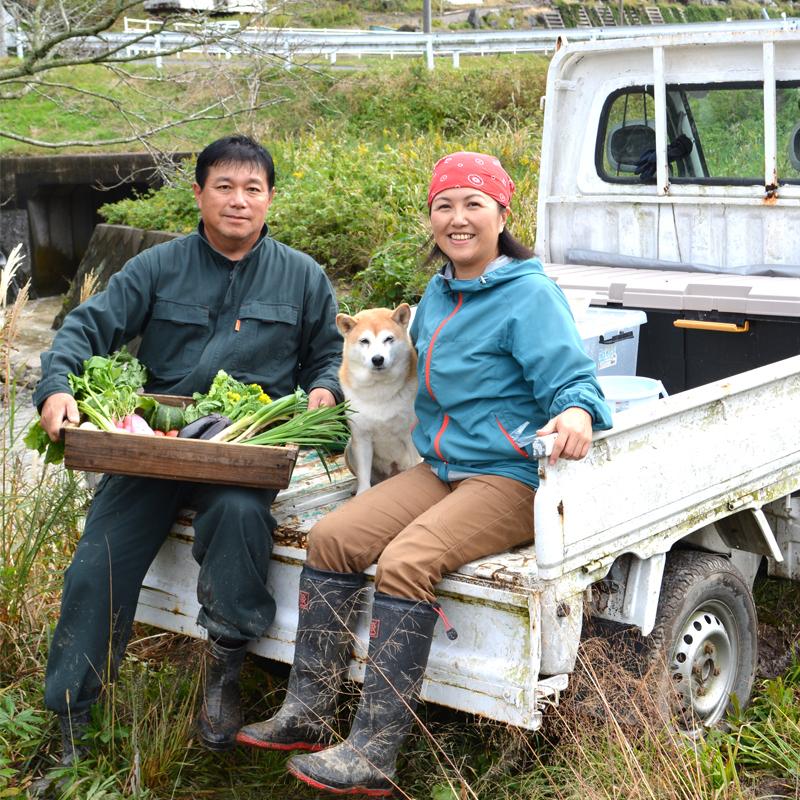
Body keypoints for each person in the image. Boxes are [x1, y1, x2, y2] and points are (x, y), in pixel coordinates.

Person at [236, 151, 613, 796]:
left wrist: (576, 411)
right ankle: (310, 709)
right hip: (441, 464)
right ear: (432, 219)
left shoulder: (529, 294)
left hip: (508, 476)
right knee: (332, 536)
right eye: (445, 205)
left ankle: (375, 747)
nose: (458, 218)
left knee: (408, 558)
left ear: (503, 212)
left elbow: (573, 378)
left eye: (474, 204)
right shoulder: (437, 293)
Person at [33, 135, 342, 770]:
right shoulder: (157, 266)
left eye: (253, 188)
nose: (238, 200)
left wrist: (323, 389)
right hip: (155, 447)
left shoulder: (304, 276)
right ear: (199, 193)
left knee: (239, 515)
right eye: (223, 186)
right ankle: (70, 718)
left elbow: (328, 358)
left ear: (270, 199)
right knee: (98, 563)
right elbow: (87, 326)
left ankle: (225, 670)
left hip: (244, 448)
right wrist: (56, 386)